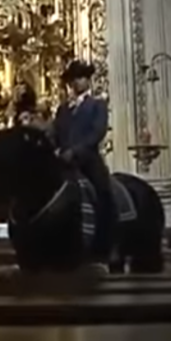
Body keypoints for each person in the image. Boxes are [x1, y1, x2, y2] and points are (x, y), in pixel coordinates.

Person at [51, 60, 117, 263]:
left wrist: (76, 151)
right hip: (64, 161)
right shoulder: (63, 110)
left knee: (103, 191)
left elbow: (97, 132)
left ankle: (108, 242)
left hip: (87, 160)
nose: (77, 82)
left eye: (81, 78)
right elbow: (55, 133)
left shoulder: (97, 105)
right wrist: (56, 150)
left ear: (88, 80)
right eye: (74, 79)